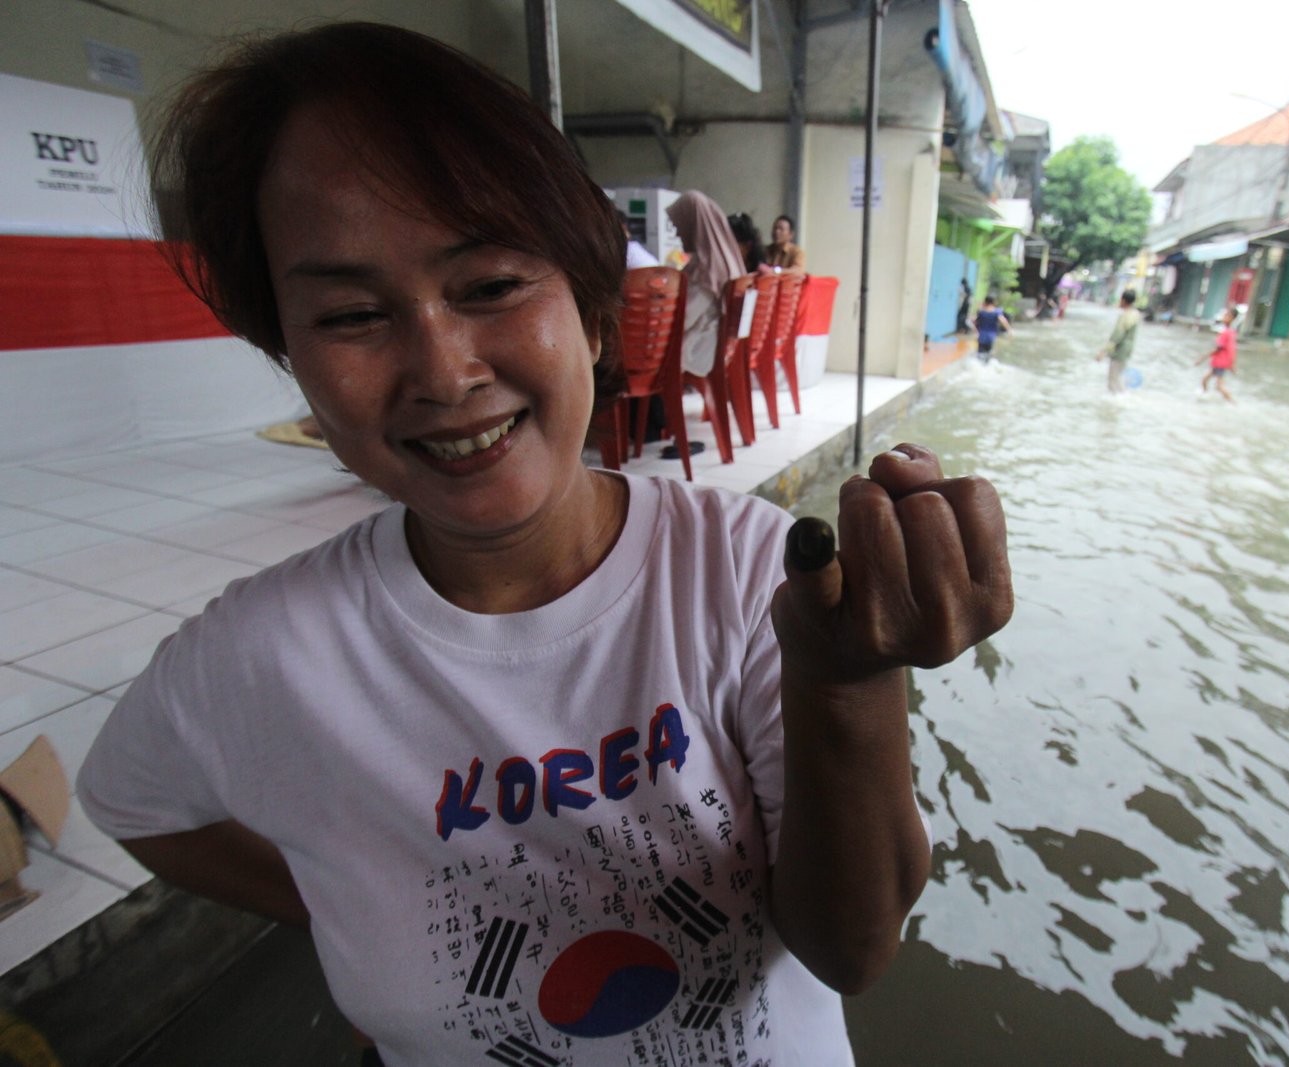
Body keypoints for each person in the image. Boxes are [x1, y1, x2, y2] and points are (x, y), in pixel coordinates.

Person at [73, 24, 1013, 1067]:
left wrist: (847, 685)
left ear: (594, 313)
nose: (444, 370)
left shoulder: (745, 573)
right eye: (351, 314)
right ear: (288, 356)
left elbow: (853, 947)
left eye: (489, 287)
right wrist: (347, 904)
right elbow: (132, 799)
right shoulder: (264, 650)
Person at [665, 190, 744, 379]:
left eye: (679, 226)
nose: (678, 233)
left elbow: (684, 318)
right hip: (718, 347)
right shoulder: (725, 258)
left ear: (693, 225)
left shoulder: (707, 269)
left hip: (697, 351)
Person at [1096, 288, 1140, 393]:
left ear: (1123, 300)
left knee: (1113, 380)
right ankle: (1122, 396)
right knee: (1118, 377)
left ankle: (1119, 398)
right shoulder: (1135, 314)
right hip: (1127, 351)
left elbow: (1117, 336)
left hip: (1119, 351)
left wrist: (1103, 351)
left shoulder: (1126, 316)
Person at [1194, 306, 1238, 401]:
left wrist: (1201, 359)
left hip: (1220, 363)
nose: (1224, 317)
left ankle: (1233, 403)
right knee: (1205, 380)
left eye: (1227, 315)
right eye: (1225, 315)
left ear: (1232, 318)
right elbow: (1232, 349)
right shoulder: (1231, 332)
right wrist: (1232, 364)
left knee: (1219, 386)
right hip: (1220, 362)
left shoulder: (1226, 333)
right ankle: (1205, 396)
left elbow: (1218, 349)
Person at [973, 295, 1010, 364]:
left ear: (985, 302)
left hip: (981, 336)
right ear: (994, 302)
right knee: (988, 354)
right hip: (990, 336)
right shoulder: (996, 312)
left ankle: (979, 365)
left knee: (980, 354)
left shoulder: (981, 312)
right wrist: (1009, 330)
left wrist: (976, 332)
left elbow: (975, 322)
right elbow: (1003, 321)